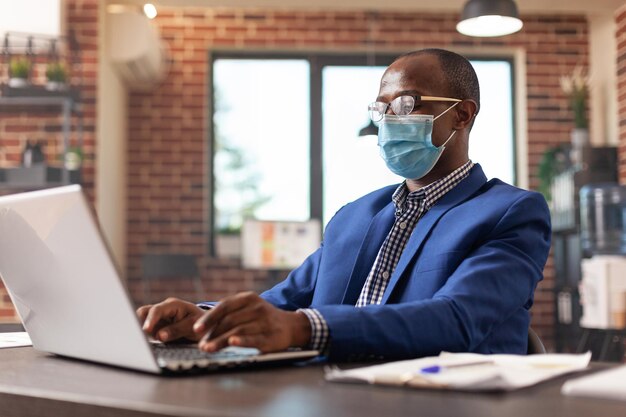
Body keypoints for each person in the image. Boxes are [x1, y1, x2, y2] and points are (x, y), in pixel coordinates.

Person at [138, 48, 551, 361]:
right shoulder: (354, 216)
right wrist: (203, 319)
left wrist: (304, 329)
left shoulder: (511, 212)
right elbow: (284, 302)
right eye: (381, 108)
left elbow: (457, 320)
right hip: (330, 395)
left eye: (406, 104)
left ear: (461, 115)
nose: (388, 120)